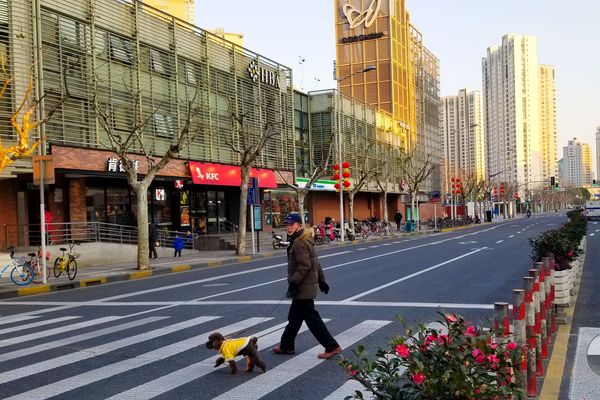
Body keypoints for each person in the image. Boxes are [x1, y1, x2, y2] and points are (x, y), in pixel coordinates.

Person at [273, 214, 342, 359]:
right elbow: (315, 262)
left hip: (302, 287)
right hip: (305, 285)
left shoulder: (299, 242)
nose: (288, 227)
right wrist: (321, 280)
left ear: (299, 225)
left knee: (311, 318)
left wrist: (294, 283)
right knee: (295, 317)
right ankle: (286, 345)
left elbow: (306, 265)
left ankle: (332, 346)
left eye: (292, 224)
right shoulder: (305, 239)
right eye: (287, 224)